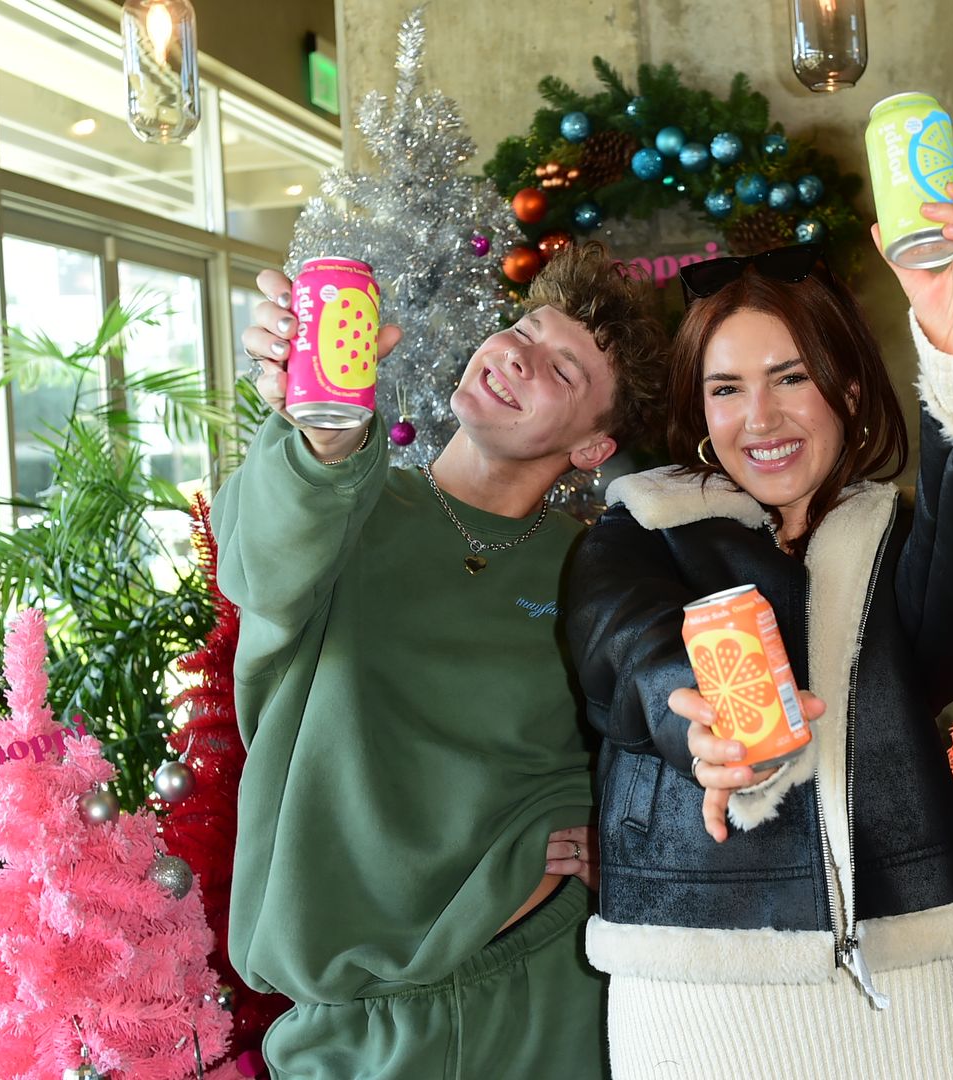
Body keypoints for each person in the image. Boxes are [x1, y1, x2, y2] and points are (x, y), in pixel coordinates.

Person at [562, 183, 953, 1078]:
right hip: (699, 991)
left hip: (920, 974)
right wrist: (696, 718)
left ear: (848, 390)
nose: (761, 419)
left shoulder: (896, 541)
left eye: (791, 378)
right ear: (700, 412)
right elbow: (625, 647)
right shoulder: (642, 530)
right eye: (727, 388)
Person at [215, 239, 666, 1080]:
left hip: (551, 995)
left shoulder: (598, 564)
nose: (516, 357)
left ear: (593, 450)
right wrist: (322, 431)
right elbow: (262, 568)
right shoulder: (345, 497)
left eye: (562, 372)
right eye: (523, 330)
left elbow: (655, 736)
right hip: (354, 1030)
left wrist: (628, 844)